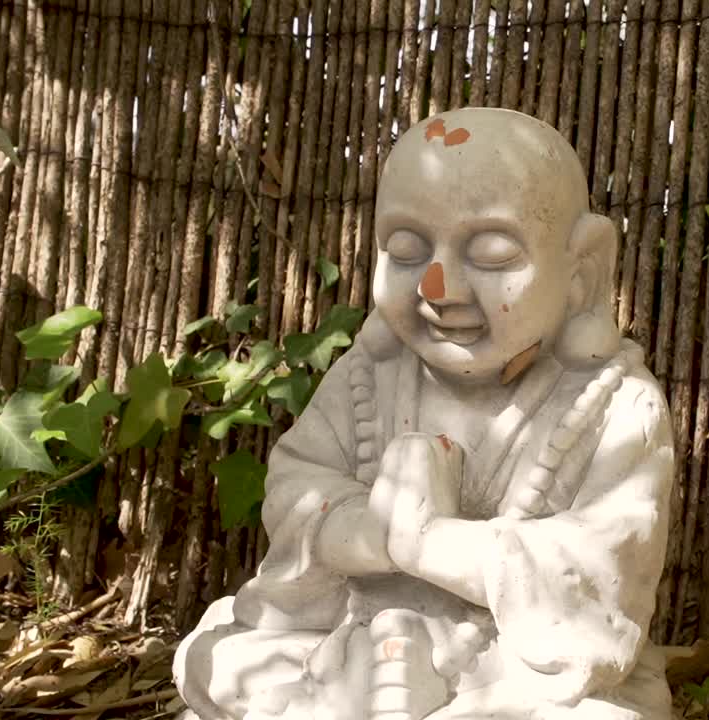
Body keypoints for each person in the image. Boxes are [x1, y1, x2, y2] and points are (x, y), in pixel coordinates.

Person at [173, 107, 676, 720]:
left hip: (512, 676)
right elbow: (295, 487)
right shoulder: (367, 377)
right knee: (216, 654)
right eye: (407, 251)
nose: (439, 289)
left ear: (583, 269)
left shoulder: (619, 406)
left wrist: (432, 543)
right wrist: (362, 530)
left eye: (491, 254)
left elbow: (600, 572)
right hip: (349, 637)